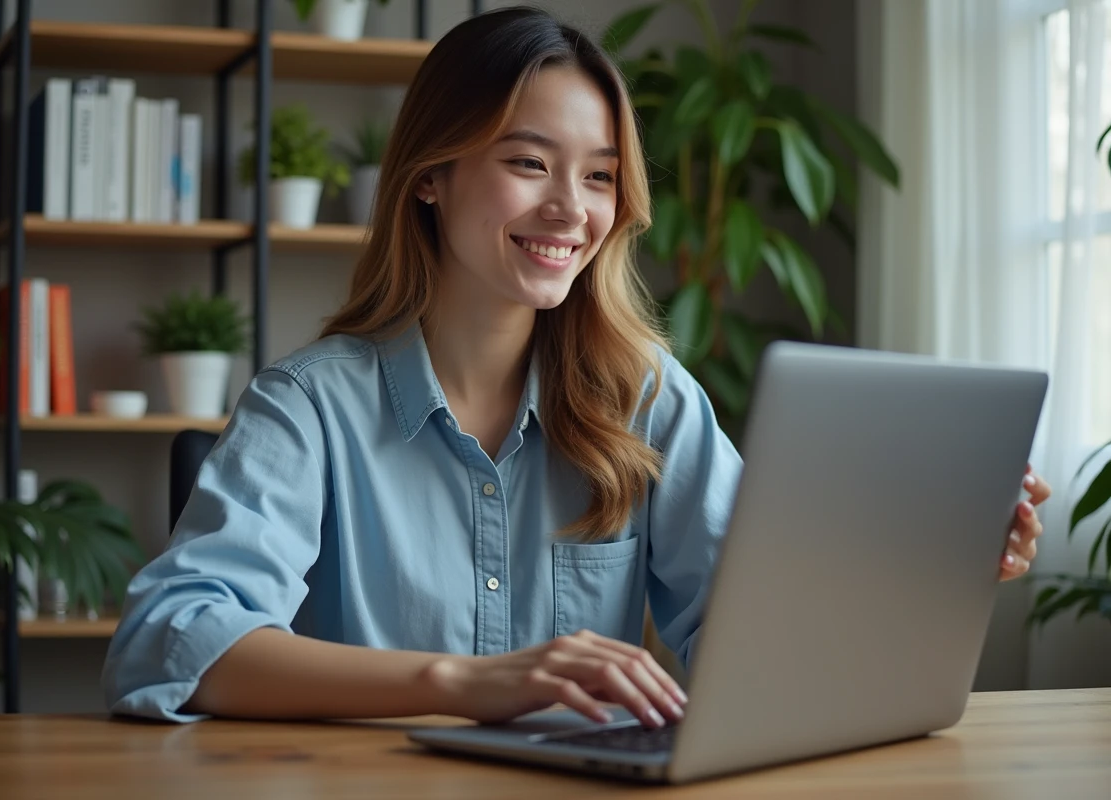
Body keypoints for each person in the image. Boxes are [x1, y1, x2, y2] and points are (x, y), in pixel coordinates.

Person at [101, 6, 1051, 729]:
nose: (571, 208)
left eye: (598, 175)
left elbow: (759, 630)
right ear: (430, 176)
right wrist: (462, 682)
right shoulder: (309, 406)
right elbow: (168, 640)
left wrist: (933, 565)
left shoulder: (647, 399)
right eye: (528, 162)